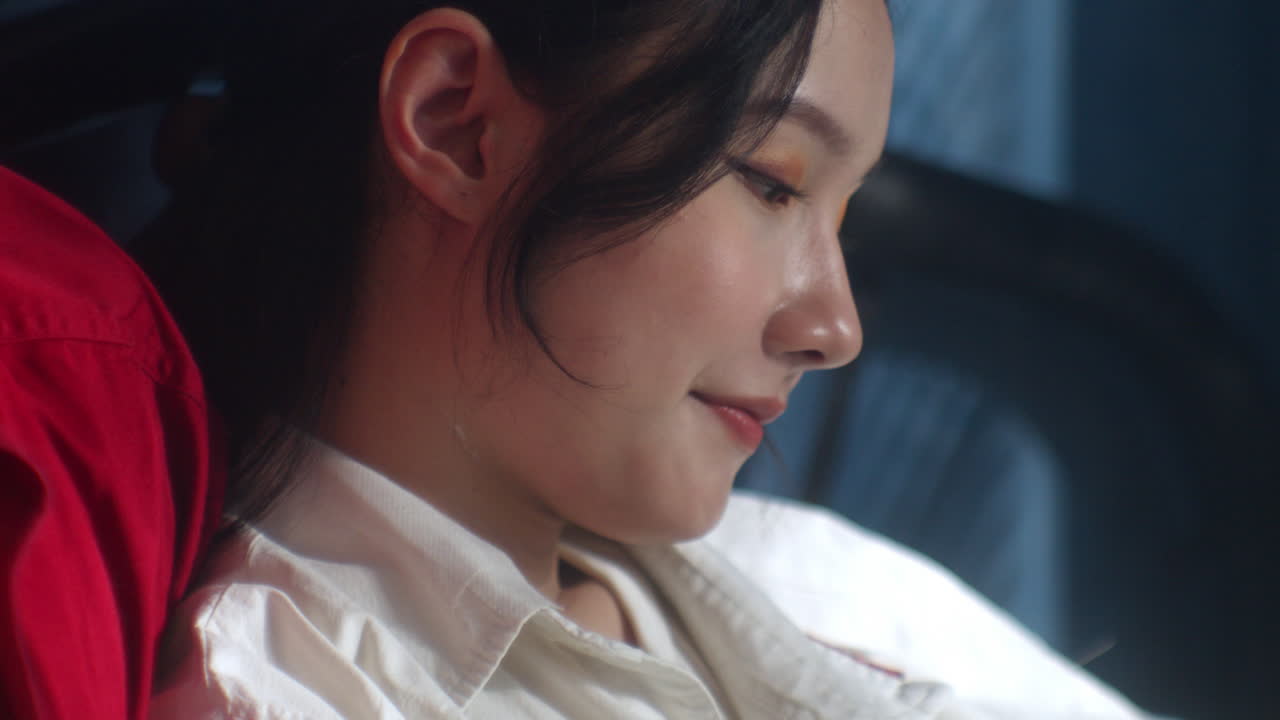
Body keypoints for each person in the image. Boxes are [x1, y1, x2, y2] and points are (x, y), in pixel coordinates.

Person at [140, 1, 1149, 717]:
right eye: (770, 183)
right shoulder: (294, 696)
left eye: (843, 218)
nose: (833, 328)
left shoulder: (824, 583)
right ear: (457, 123)